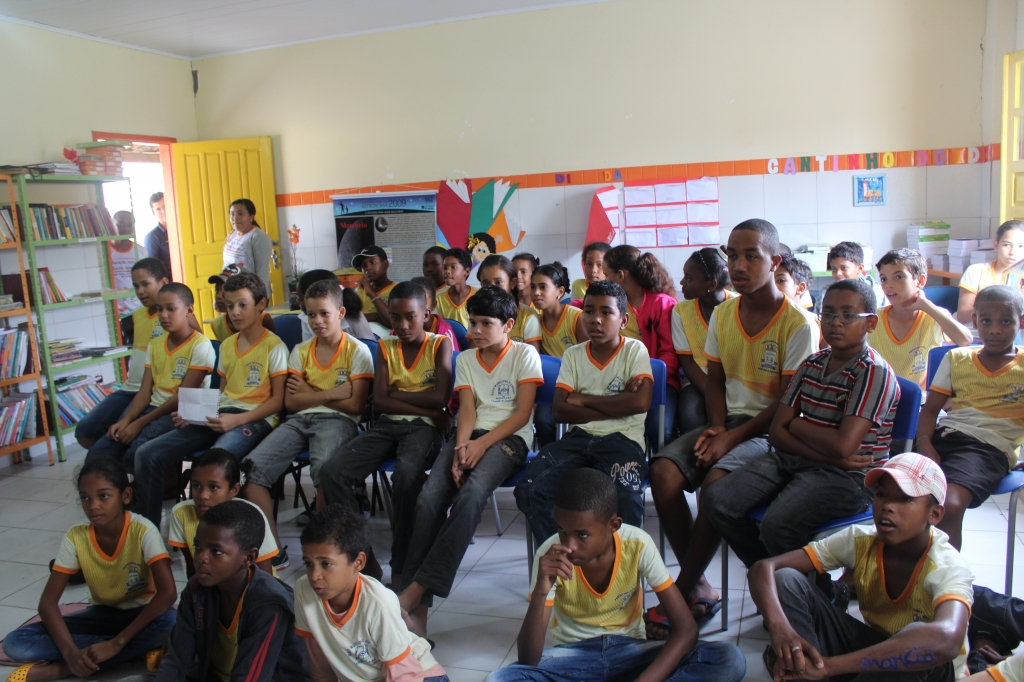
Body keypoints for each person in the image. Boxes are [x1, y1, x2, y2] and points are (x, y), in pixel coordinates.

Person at [649, 219, 817, 626]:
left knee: (715, 486)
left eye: (751, 256)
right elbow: (715, 381)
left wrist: (732, 437)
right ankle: (700, 586)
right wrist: (718, 428)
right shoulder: (724, 314)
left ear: (774, 261)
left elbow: (786, 404)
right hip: (731, 421)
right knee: (663, 473)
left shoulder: (798, 324)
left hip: (774, 430)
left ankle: (681, 591)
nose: (738, 265)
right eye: (733, 255)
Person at [701, 280, 900, 620]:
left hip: (850, 478)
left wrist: (799, 425)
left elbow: (844, 446)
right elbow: (778, 433)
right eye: (829, 314)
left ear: (870, 323)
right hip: (798, 459)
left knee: (777, 525)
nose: (836, 323)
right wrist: (807, 437)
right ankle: (787, 584)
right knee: (717, 500)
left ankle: (805, 601)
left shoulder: (872, 372)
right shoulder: (813, 364)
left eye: (848, 315)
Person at [489, 469, 746, 682]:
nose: (569, 545)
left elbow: (686, 630)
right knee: (499, 679)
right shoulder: (550, 555)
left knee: (728, 658)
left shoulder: (638, 544)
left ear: (613, 526)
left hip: (631, 651)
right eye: (561, 530)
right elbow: (529, 660)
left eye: (582, 534)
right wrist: (541, 592)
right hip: (573, 659)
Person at [749, 453, 974, 682]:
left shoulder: (947, 566)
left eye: (905, 499)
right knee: (787, 579)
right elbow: (764, 567)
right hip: (877, 656)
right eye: (881, 494)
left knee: (917, 641)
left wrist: (830, 667)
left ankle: (820, 671)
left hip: (928, 672)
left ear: (934, 514)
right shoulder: (860, 540)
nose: (888, 506)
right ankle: (804, 673)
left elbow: (946, 640)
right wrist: (779, 628)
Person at [398, 286, 542, 637]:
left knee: (472, 494)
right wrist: (461, 448)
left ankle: (415, 592)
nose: (475, 330)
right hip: (469, 435)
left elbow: (522, 415)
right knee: (430, 498)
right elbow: (466, 410)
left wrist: (481, 445)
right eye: (472, 322)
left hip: (509, 439)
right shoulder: (465, 359)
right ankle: (418, 616)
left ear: (508, 325)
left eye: (485, 324)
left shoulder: (524, 354)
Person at [317, 281, 452, 586]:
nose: (402, 325)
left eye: (410, 317)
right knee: (333, 472)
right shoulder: (385, 347)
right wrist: (429, 407)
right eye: (395, 318)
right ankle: (364, 559)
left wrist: (403, 397)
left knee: (406, 476)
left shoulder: (439, 344)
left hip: (424, 429)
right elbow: (380, 401)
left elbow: (440, 398)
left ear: (426, 315)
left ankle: (402, 564)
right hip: (388, 425)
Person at [133, 272, 286, 527]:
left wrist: (238, 420)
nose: (235, 312)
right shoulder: (226, 345)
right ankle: (146, 531)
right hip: (221, 415)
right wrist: (193, 413)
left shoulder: (275, 346)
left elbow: (279, 401)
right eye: (230, 305)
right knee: (147, 454)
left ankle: (215, 530)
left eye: (242, 305)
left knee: (215, 464)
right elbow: (223, 396)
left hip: (255, 419)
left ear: (260, 304)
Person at [3, 459, 177, 682]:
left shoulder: (143, 530)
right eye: (85, 497)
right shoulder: (76, 536)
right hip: (101, 615)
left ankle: (62, 669)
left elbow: (168, 593)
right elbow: (47, 604)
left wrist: (117, 643)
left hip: (140, 613)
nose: (93, 505)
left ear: (125, 496)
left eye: (103, 496)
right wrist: (70, 653)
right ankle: (133, 651)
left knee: (171, 622)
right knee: (16, 643)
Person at [241, 277, 372, 567]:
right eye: (311, 314)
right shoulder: (300, 351)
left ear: (340, 313)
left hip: (338, 420)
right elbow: (291, 403)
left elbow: (355, 406)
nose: (317, 321)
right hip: (299, 420)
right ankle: (272, 550)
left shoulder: (357, 351)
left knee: (324, 471)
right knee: (251, 470)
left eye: (324, 313)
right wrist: (331, 392)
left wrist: (309, 394)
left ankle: (320, 549)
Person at [514, 280, 652, 542]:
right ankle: (566, 556)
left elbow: (639, 404)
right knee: (530, 489)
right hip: (577, 439)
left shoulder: (634, 350)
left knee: (626, 495)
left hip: (622, 440)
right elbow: (559, 412)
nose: (595, 319)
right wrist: (619, 404)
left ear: (623, 320)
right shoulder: (574, 355)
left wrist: (582, 399)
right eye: (589, 311)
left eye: (606, 312)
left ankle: (623, 565)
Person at [130, 500, 306, 682]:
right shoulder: (196, 589)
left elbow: (250, 678)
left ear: (248, 558)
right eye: (198, 547)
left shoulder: (269, 603)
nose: (201, 558)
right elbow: (177, 659)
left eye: (216, 551)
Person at [917, 284, 1024, 550]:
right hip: (944, 437)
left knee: (949, 504)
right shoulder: (957, 358)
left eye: (1005, 321)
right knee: (896, 491)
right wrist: (924, 444)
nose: (995, 329)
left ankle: (944, 573)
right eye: (986, 321)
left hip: (988, 448)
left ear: (1021, 322)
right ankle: (901, 567)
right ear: (975, 321)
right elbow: (930, 410)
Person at [296, 505, 448, 682]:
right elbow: (318, 662)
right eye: (308, 563)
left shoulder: (380, 603)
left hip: (418, 675)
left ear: (358, 562)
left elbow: (403, 675)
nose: (314, 575)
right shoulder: (304, 591)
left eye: (326, 564)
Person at [86, 283, 215, 468]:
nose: (164, 315)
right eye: (159, 309)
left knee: (134, 454)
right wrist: (126, 420)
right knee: (99, 452)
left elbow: (183, 396)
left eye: (171, 309)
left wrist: (139, 423)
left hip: (176, 414)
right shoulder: (155, 344)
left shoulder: (200, 345)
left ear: (189, 310)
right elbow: (145, 392)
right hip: (151, 409)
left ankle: (132, 485)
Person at [75, 258, 169, 450]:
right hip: (129, 388)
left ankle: (118, 458)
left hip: (152, 393)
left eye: (145, 284)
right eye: (136, 286)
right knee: (85, 430)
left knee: (114, 441)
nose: (140, 291)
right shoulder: (137, 315)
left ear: (163, 282)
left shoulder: (173, 316)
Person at [603, 244, 681, 445]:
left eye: (607, 275)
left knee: (658, 428)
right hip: (622, 381)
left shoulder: (662, 304)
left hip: (660, 382)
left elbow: (670, 356)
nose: (604, 280)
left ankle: (663, 462)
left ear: (620, 275)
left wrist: (643, 378)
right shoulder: (616, 306)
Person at [871, 248, 973, 393]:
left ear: (920, 281)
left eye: (898, 277)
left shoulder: (934, 316)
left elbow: (965, 340)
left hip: (923, 399)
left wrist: (927, 306)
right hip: (884, 396)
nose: (888, 285)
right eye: (883, 279)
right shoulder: (874, 319)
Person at [168, 449, 280, 578]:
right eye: (196, 486)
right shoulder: (181, 513)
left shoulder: (251, 515)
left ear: (234, 490)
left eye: (213, 487)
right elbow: (193, 568)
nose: (203, 495)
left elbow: (265, 576)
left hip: (253, 586)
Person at [672, 247, 732, 436]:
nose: (682, 283)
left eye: (688, 278)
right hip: (698, 380)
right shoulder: (681, 311)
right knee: (690, 416)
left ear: (711, 285)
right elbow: (687, 360)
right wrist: (712, 394)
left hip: (734, 379)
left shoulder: (738, 306)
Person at [532, 262, 587, 447]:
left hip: (577, 388)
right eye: (533, 287)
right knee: (543, 420)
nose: (536, 292)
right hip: (551, 389)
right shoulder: (534, 321)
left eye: (543, 287)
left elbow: (588, 359)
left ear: (560, 291)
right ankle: (548, 456)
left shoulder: (576, 317)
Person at [957, 220, 1024, 323]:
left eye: (1021, 246)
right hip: (976, 330)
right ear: (996, 245)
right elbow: (962, 315)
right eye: (1007, 245)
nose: (1013, 252)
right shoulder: (976, 271)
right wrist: (998, 308)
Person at [479, 254, 542, 350]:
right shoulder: (477, 315)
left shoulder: (528, 316)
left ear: (512, 283)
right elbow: (473, 353)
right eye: (486, 284)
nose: (492, 289)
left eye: (498, 282)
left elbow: (532, 357)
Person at [813, 241, 887, 315]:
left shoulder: (877, 292)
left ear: (860, 268)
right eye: (834, 268)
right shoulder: (825, 293)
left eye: (844, 268)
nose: (838, 273)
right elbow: (818, 320)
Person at [208, 268, 277, 342]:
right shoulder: (217, 325)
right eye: (217, 290)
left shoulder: (263, 319)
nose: (218, 296)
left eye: (224, 290)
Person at [223, 199, 273, 298]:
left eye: (240, 214)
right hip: (233, 292)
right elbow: (226, 265)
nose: (235, 218)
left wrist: (257, 298)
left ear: (251, 216)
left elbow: (262, 272)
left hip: (251, 295)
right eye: (232, 214)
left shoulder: (259, 237)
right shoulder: (232, 235)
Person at [110, 210, 146, 316]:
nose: (125, 228)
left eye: (129, 225)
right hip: (113, 311)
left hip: (137, 310)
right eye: (121, 224)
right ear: (112, 224)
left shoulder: (141, 251)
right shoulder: (105, 251)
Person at [351, 245, 397, 326]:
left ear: (385, 264)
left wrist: (371, 293)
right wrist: (377, 317)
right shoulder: (359, 291)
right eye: (363, 265)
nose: (368, 268)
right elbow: (351, 318)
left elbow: (393, 321)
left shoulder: (397, 289)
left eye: (372, 262)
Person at [410, 276, 458, 349]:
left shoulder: (445, 334)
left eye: (423, 303)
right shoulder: (401, 330)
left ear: (433, 305)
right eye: (411, 302)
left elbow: (452, 356)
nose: (416, 308)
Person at [435, 248, 476, 327]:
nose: (447, 271)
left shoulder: (478, 296)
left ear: (466, 271)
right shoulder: (439, 299)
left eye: (453, 267)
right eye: (445, 267)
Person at [293, 268, 335, 342]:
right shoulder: (305, 317)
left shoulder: (350, 319)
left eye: (300, 298)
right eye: (311, 315)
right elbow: (307, 346)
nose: (297, 301)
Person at [144, 193, 172, 280]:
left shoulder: (183, 230)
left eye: (165, 206)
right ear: (153, 213)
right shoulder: (152, 237)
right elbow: (152, 269)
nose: (163, 211)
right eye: (158, 209)